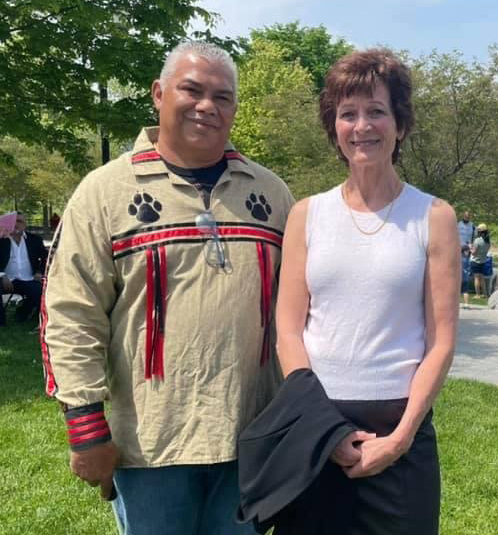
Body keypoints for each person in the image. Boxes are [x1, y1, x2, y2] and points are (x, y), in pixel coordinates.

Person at [41, 41, 294, 535]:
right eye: (192, 90)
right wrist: (85, 424)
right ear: (159, 94)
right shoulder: (105, 191)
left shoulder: (271, 194)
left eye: (223, 97)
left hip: (253, 436)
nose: (207, 106)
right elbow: (71, 310)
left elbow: (301, 310)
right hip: (150, 442)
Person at [270, 49, 459, 534]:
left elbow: (440, 342)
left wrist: (398, 440)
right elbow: (288, 330)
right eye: (347, 114)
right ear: (333, 127)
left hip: (400, 425)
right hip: (315, 425)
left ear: (400, 123)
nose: (362, 126)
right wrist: (320, 426)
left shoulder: (433, 216)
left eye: (376, 111)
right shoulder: (307, 215)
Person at [0, 212, 48, 326]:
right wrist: (1, 275)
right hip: (6, 280)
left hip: (29, 279)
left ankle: (22, 314)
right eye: (14, 221)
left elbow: (46, 258)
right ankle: (1, 322)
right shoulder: (1, 239)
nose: (17, 225)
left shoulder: (34, 240)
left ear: (25, 225)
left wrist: (39, 272)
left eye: (20, 222)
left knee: (40, 291)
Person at [470, 223, 491, 298]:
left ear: (480, 231)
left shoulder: (477, 240)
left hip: (475, 261)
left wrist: (470, 247)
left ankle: (478, 294)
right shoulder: (488, 241)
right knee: (482, 278)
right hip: (483, 261)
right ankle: (485, 294)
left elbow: (473, 253)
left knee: (476, 278)